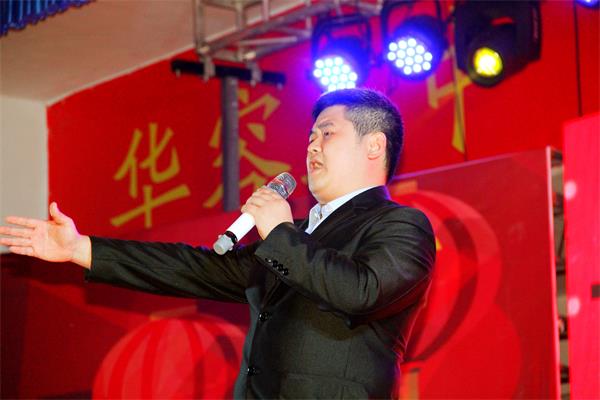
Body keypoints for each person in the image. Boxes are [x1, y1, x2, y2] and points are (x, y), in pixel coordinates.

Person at [0, 88, 436, 399]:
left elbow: (361, 292)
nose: (311, 147)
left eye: (327, 134)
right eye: (309, 137)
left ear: (374, 145)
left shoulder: (400, 224)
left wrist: (280, 233)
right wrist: (81, 249)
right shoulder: (293, 235)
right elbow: (195, 269)